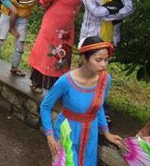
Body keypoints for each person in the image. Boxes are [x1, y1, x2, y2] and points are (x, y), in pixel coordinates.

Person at [40, 37, 124, 165]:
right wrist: (50, 135)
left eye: (106, 60)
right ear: (84, 59)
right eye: (98, 60)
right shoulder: (65, 81)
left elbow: (99, 106)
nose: (103, 65)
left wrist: (106, 133)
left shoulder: (105, 80)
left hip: (90, 134)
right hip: (66, 133)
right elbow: (45, 106)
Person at [28, 0, 93, 94]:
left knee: (62, 55)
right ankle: (37, 82)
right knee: (46, 53)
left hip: (68, 27)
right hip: (52, 24)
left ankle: (56, 87)